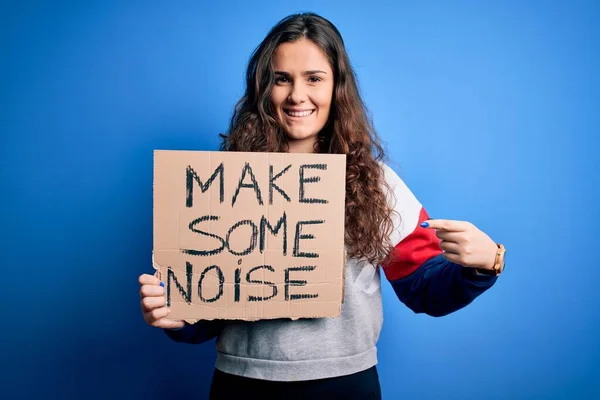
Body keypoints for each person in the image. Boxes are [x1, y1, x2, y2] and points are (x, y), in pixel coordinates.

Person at [138, 12, 506, 399]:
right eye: (282, 79)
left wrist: (483, 265)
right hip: (242, 383)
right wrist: (177, 316)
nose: (298, 95)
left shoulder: (376, 184)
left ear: (337, 88)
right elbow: (209, 309)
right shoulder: (224, 182)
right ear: (265, 89)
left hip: (343, 384)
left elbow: (423, 288)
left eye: (314, 78)